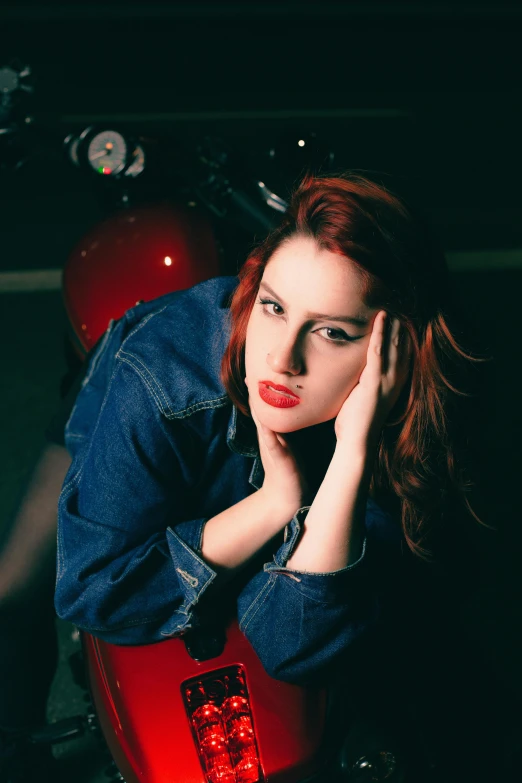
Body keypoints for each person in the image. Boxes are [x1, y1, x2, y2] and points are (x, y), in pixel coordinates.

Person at [0, 172, 495, 781]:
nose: (281, 359)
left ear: (391, 351)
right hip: (131, 401)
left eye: (331, 332)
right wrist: (274, 502)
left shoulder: (410, 417)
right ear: (252, 290)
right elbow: (93, 592)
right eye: (274, 306)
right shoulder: (164, 377)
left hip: (341, 435)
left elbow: (293, 644)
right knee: (9, 594)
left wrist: (353, 449)